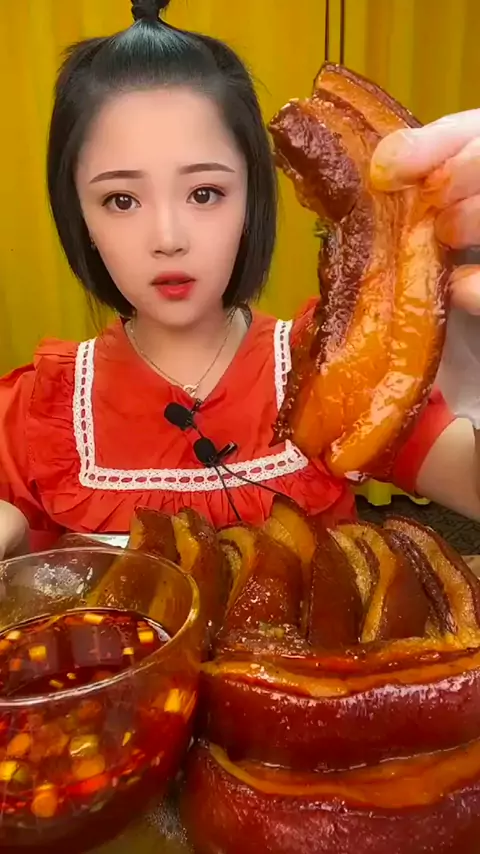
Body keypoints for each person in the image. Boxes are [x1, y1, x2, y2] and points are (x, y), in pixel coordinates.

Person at [1, 0, 480, 559]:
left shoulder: (336, 369)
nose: (168, 238)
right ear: (79, 216)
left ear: (251, 200)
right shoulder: (37, 411)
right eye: (121, 199)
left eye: (205, 193)